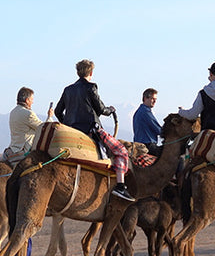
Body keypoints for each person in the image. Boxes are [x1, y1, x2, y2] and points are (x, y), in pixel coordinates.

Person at [54, 59, 134, 201]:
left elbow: (58, 111)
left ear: (78, 72)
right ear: (91, 72)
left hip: (71, 131)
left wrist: (66, 124)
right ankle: (120, 187)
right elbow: (101, 109)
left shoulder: (68, 90)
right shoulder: (91, 87)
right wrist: (111, 110)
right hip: (90, 129)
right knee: (121, 151)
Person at [3, 87, 54, 164]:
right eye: (32, 99)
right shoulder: (28, 114)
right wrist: (50, 117)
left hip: (13, 148)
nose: (33, 102)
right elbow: (43, 128)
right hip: (24, 150)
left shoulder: (13, 112)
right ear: (27, 100)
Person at [133, 88, 162, 156]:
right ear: (145, 98)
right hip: (147, 146)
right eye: (152, 99)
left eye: (155, 99)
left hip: (139, 144)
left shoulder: (139, 111)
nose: (154, 101)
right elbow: (158, 130)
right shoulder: (145, 112)